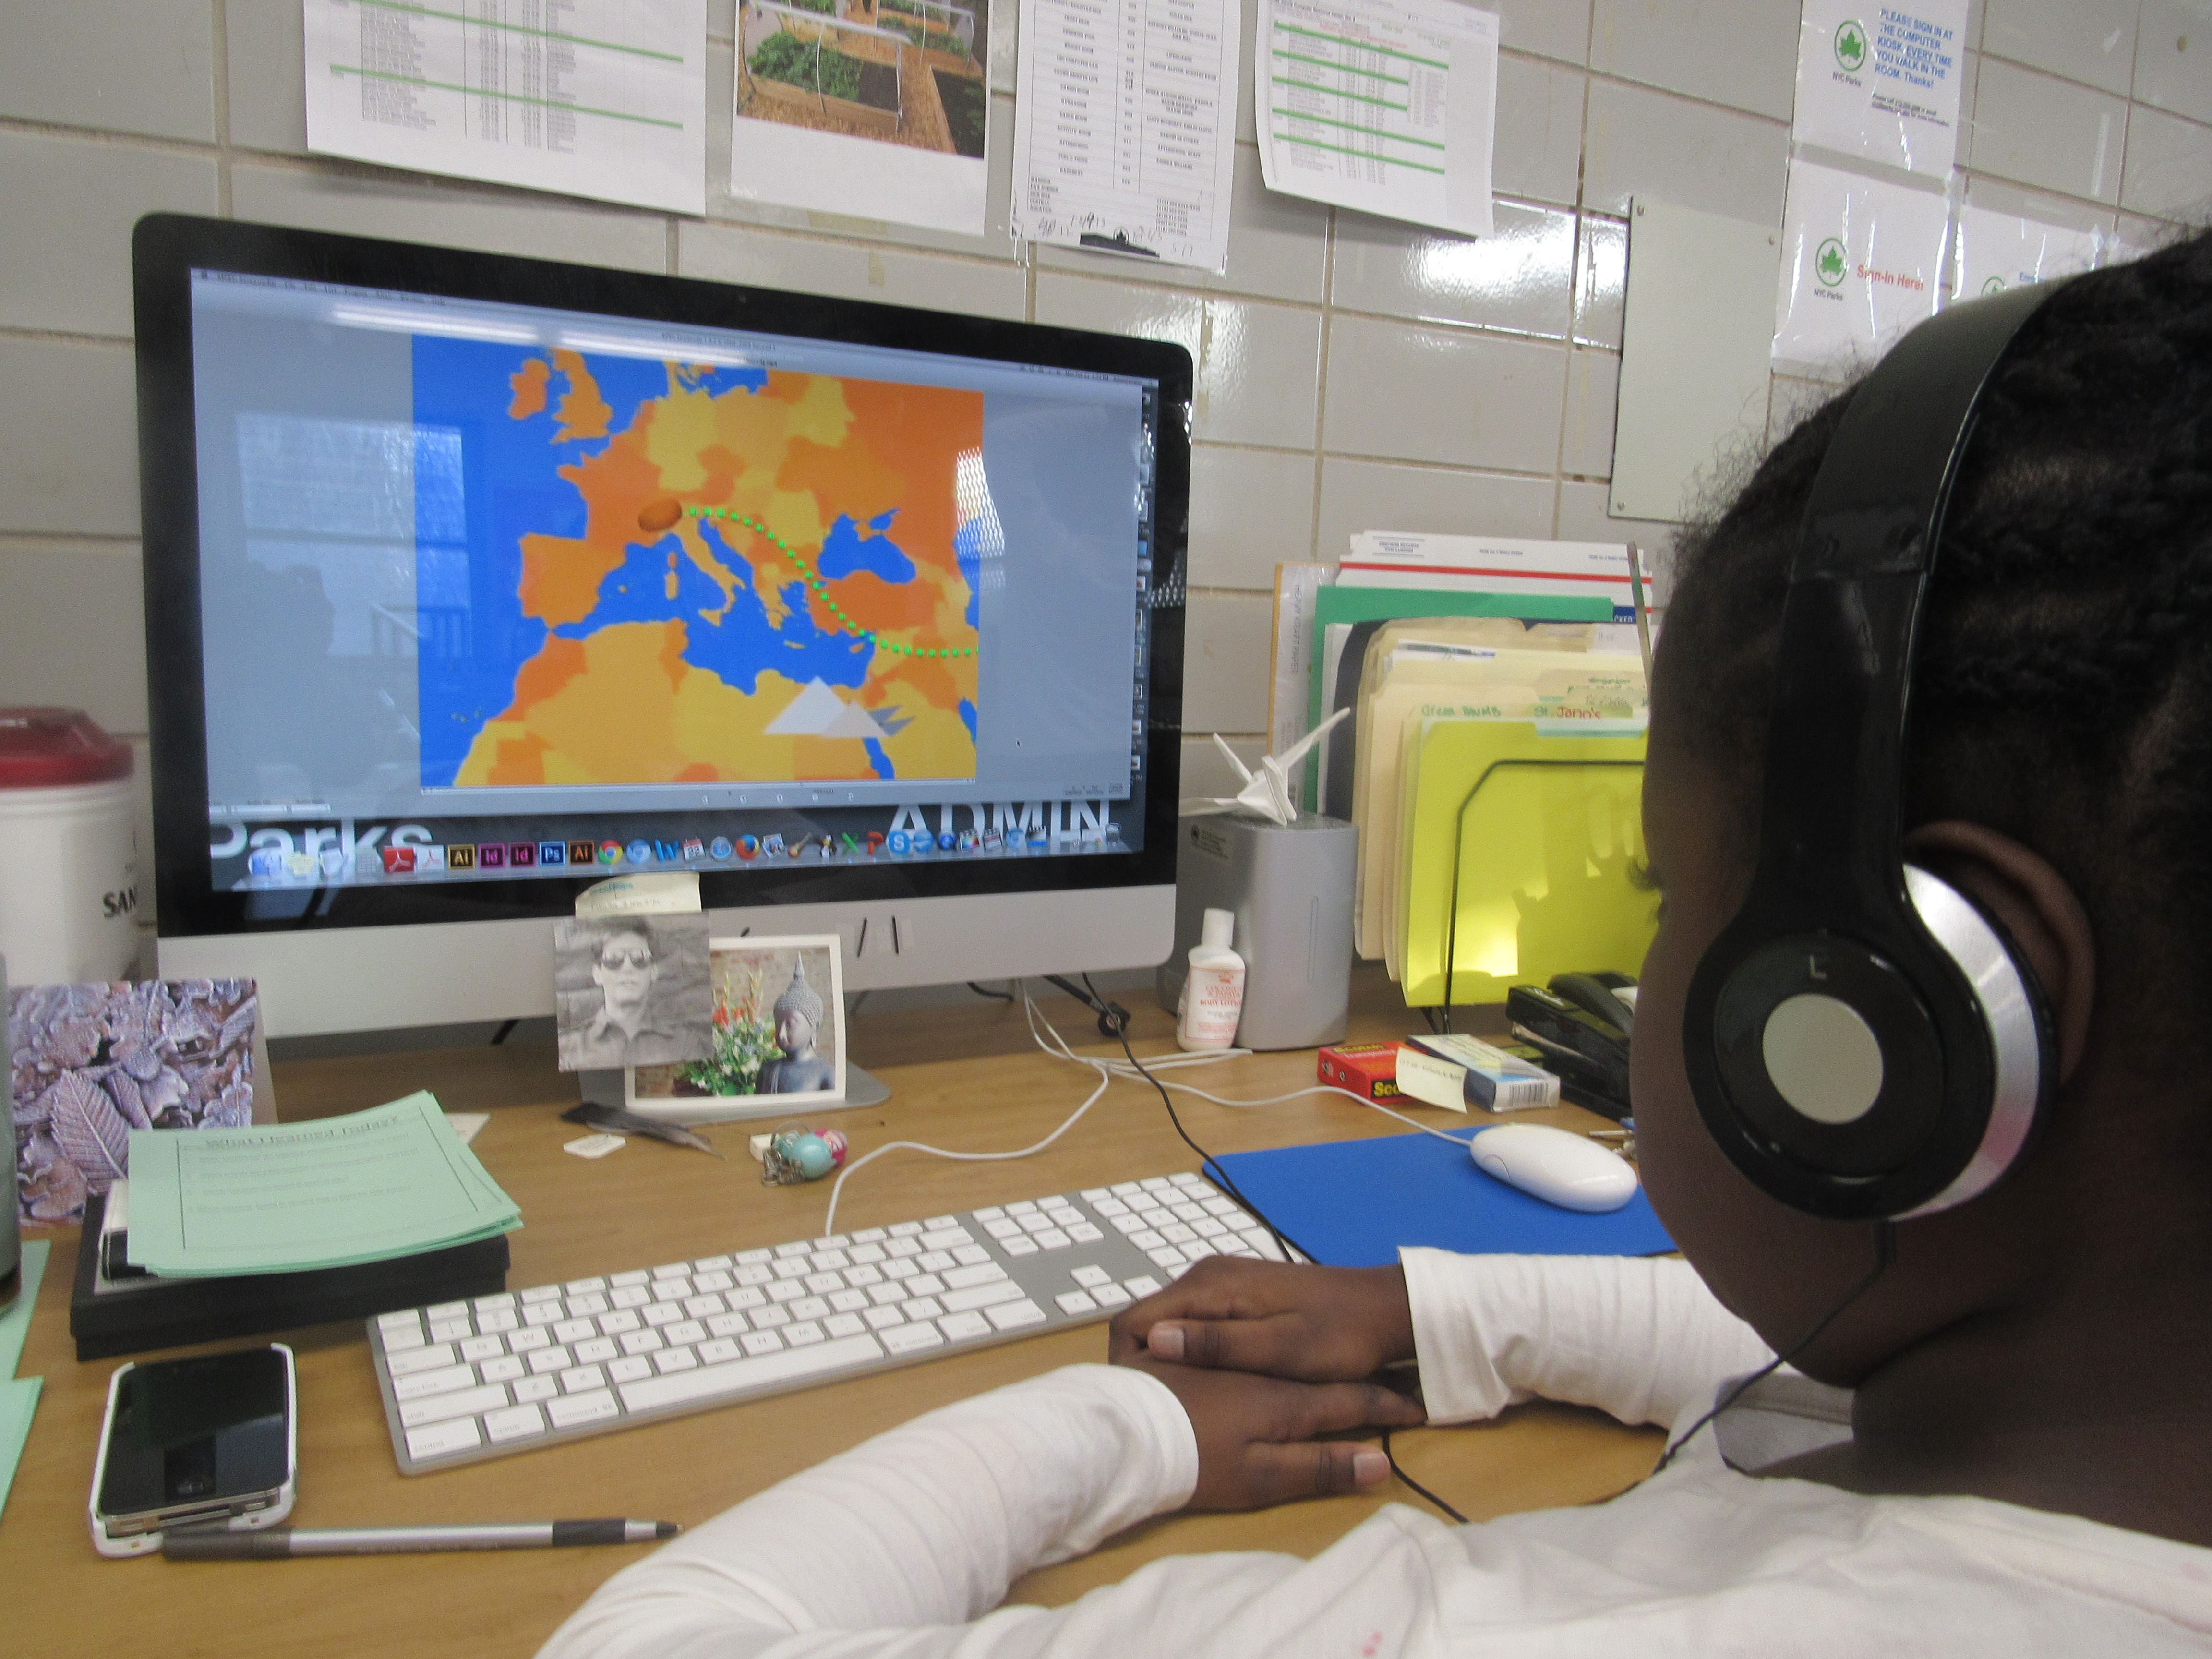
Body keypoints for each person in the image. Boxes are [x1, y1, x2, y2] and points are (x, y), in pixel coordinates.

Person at [538, 235, 2212, 1655]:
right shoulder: (2079, 1394)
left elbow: (654, 1638)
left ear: (1908, 1033)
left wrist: (1122, 1422)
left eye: (1661, 897)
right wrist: (1427, 1309)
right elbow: (1783, 1356)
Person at [558, 923, 697, 1070]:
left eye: (639, 958)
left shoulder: (684, 1043)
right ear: (597, 974)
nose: (628, 968)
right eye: (614, 959)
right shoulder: (568, 1047)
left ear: (654, 972)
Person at [755, 957, 837, 1094]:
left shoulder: (827, 1074)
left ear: (814, 1027)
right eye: (778, 1024)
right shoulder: (768, 1070)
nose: (781, 1034)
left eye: (790, 1025)